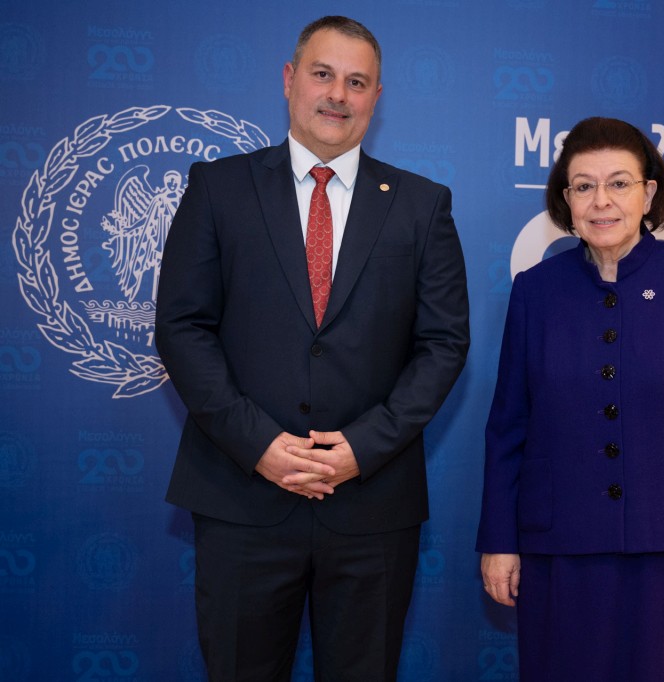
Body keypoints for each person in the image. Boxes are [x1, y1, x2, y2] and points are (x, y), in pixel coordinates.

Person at [155, 16, 469, 682]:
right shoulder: (217, 187)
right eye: (323, 75)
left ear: (377, 96)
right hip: (241, 496)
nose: (338, 95)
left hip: (372, 504)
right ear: (290, 79)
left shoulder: (422, 205)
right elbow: (182, 327)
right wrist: (259, 445)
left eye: (357, 82)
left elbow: (443, 344)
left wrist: (362, 448)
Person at [476, 117, 664, 681]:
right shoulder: (536, 290)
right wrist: (499, 541)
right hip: (562, 549)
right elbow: (509, 425)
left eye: (619, 183)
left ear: (649, 194)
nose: (601, 201)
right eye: (583, 186)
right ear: (565, 200)